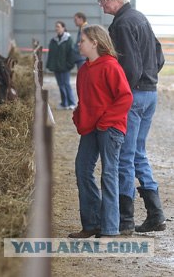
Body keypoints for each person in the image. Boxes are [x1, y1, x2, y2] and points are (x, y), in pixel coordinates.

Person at [94, 0, 166, 235]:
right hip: (150, 94)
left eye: (102, 0)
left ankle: (125, 219)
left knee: (124, 155)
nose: (101, 5)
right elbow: (160, 57)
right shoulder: (140, 17)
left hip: (133, 96)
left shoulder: (122, 24)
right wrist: (149, 79)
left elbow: (130, 68)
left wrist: (120, 95)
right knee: (138, 152)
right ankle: (155, 213)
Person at [68, 24, 133, 238]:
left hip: (110, 128)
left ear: (94, 42)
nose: (79, 44)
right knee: (82, 169)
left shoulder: (111, 66)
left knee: (108, 173)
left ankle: (110, 228)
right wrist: (79, 116)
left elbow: (125, 97)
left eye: (82, 40)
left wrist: (106, 121)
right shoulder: (84, 69)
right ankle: (92, 223)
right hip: (90, 128)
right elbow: (84, 100)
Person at [46, 21, 76, 110]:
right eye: (56, 27)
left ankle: (72, 103)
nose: (56, 28)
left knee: (66, 84)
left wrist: (69, 65)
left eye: (58, 27)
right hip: (57, 67)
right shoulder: (53, 40)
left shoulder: (68, 40)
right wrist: (50, 65)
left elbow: (71, 53)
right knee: (60, 85)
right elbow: (51, 54)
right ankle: (64, 103)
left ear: (63, 28)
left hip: (65, 67)